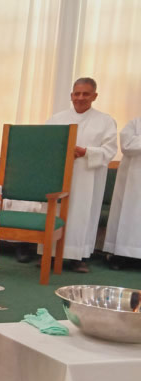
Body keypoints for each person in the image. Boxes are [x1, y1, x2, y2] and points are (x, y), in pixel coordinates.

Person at [44, 77, 117, 272]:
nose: (80, 98)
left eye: (86, 94)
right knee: (56, 212)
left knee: (82, 215)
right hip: (59, 175)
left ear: (94, 96)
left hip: (87, 177)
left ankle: (78, 258)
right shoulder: (57, 119)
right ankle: (50, 255)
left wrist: (86, 152)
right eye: (77, 93)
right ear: (71, 95)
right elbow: (45, 143)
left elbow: (110, 150)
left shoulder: (105, 121)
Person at [103, 116, 141, 268]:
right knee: (128, 216)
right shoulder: (135, 123)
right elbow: (127, 145)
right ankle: (120, 255)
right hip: (132, 181)